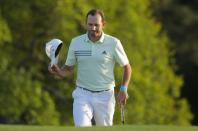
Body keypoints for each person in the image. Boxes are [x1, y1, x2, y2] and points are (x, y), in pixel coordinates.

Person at [48, 9, 132, 127]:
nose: (93, 28)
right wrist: (58, 71)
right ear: (86, 24)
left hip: (105, 96)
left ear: (103, 24)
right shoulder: (76, 42)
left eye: (96, 25)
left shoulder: (114, 43)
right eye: (90, 24)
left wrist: (123, 89)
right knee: (82, 127)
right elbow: (68, 69)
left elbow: (127, 67)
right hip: (82, 94)